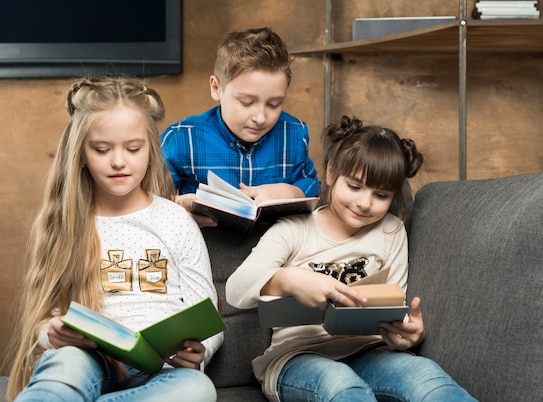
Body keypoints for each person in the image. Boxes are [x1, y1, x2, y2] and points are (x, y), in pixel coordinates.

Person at [225, 116, 476, 402]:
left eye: (380, 195)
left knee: (426, 377)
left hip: (369, 352)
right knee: (341, 385)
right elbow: (235, 289)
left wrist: (406, 334)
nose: (364, 203)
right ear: (331, 174)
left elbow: (393, 304)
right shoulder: (294, 229)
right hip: (297, 358)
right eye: (354, 187)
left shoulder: (390, 230)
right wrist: (287, 279)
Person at [5, 76, 223, 402]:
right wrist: (52, 332)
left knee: (198, 389)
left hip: (162, 368)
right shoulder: (64, 220)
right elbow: (46, 314)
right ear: (80, 152)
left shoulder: (174, 219)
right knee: (64, 368)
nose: (119, 161)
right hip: (87, 357)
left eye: (133, 149)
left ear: (150, 148)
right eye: (102, 149)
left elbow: (207, 310)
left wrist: (201, 348)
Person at [160, 27, 320, 228]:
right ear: (216, 88)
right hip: (204, 242)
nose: (260, 118)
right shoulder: (182, 138)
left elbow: (312, 184)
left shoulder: (294, 133)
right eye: (246, 102)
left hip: (274, 243)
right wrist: (176, 206)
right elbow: (145, 194)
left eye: (274, 104)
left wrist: (292, 192)